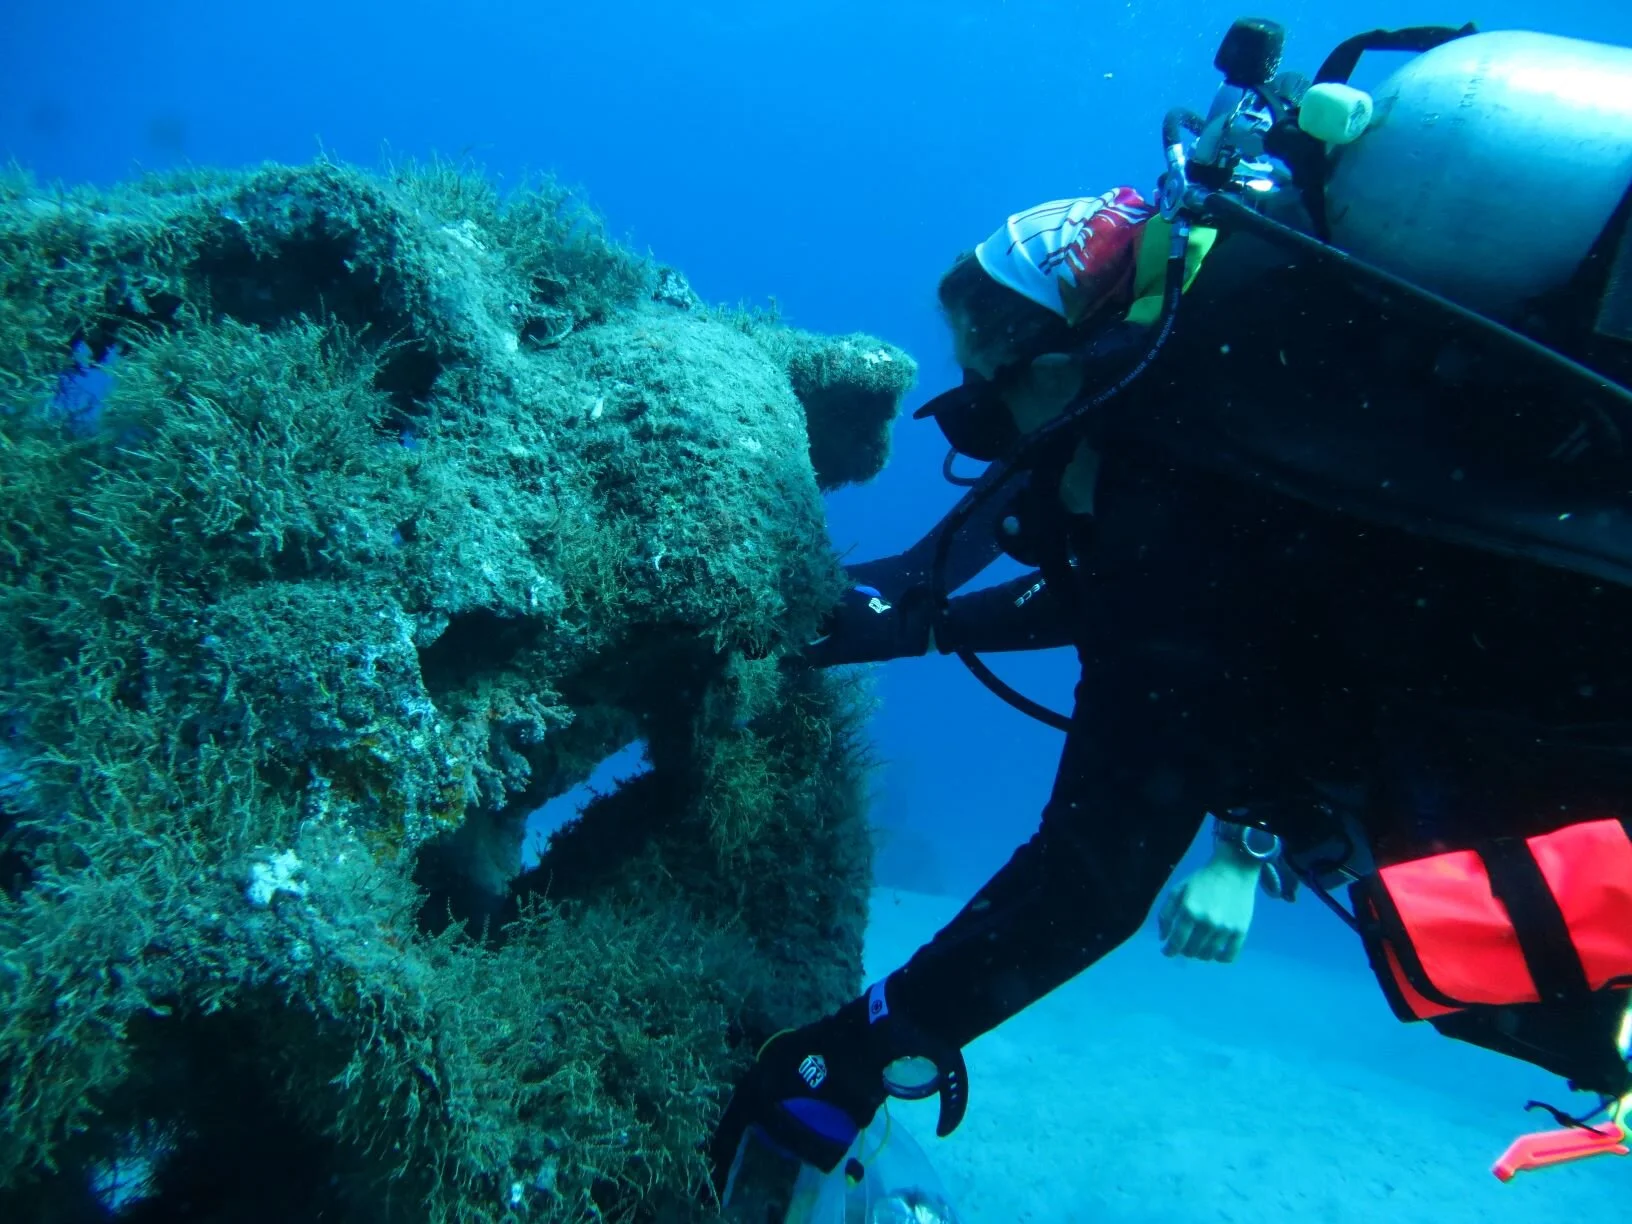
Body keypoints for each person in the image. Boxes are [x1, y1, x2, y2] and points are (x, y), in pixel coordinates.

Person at [711, 20, 1632, 1201]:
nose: (1000, 441)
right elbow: (1185, 616)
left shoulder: (1186, 471)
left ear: (1086, 357)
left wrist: (853, 1053)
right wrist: (918, 617)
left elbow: (1092, 876)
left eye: (999, 396)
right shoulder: (1266, 412)